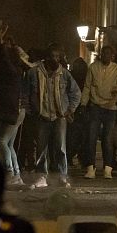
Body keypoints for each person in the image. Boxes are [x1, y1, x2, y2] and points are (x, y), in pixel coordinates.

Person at [26, 44, 81, 188]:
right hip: (41, 115)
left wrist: (69, 110)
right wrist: (30, 110)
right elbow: (25, 93)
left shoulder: (64, 74)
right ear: (46, 57)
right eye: (52, 56)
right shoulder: (34, 73)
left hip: (59, 117)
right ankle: (41, 176)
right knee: (41, 148)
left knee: (60, 148)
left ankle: (62, 176)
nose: (55, 59)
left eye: (57, 56)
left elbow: (76, 93)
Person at [81, 45, 117, 179]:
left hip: (110, 107)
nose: (106, 56)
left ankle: (108, 169)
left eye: (109, 54)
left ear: (112, 56)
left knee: (108, 139)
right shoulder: (93, 68)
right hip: (95, 106)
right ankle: (91, 168)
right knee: (92, 137)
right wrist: (83, 104)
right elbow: (87, 86)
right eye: (104, 53)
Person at [0, 22, 26, 185]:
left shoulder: (10, 70)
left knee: (1, 141)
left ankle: (10, 173)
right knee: (9, 143)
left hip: (13, 109)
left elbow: (3, 58)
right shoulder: (15, 70)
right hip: (17, 109)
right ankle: (16, 175)